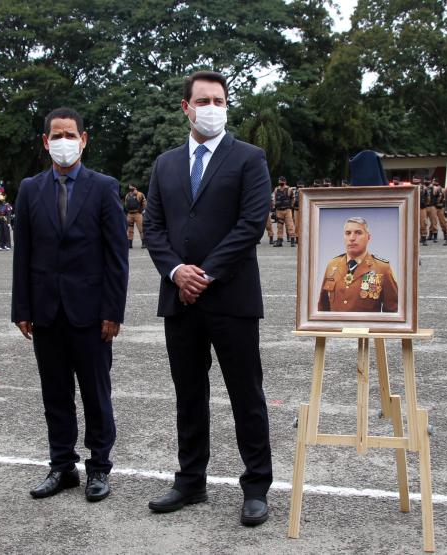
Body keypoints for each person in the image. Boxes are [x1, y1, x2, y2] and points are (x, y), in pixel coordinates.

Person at [143, 70, 273, 526]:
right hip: (180, 299)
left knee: (246, 394)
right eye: (203, 100)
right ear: (186, 107)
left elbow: (250, 225)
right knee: (188, 394)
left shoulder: (249, 158)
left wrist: (207, 273)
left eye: (219, 100)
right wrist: (177, 271)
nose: (212, 107)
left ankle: (256, 485)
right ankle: (190, 480)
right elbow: (152, 228)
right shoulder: (165, 164)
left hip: (231, 298)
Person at [11, 107, 128, 504]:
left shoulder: (104, 186)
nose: (64, 141)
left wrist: (113, 310)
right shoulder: (30, 188)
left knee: (96, 394)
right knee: (55, 394)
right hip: (45, 311)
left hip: (92, 313)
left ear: (84, 138)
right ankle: (62, 466)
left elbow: (116, 255)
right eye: (56, 135)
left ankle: (99, 467)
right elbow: (23, 252)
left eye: (70, 134)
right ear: (45, 142)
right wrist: (21, 308)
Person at [318, 217, 398, 312]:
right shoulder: (332, 265)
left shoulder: (382, 268)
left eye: (358, 233)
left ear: (368, 237)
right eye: (348, 233)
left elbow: (392, 311)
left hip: (365, 327)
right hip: (336, 326)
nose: (352, 238)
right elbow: (322, 307)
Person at [273, 177, 295, 247]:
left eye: (281, 181)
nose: (280, 182)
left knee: (290, 225)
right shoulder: (276, 189)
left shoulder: (289, 189)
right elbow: (274, 199)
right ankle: (279, 241)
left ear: (285, 181)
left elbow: (293, 199)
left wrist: (291, 206)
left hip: (287, 210)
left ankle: (292, 241)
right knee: (279, 226)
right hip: (279, 210)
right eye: (279, 181)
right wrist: (274, 208)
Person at [123, 184, 147, 248]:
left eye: (131, 186)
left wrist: (142, 210)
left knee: (141, 228)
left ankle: (144, 243)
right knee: (130, 230)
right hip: (130, 214)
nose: (129, 187)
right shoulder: (127, 195)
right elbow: (125, 204)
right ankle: (130, 244)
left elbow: (144, 203)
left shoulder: (140, 194)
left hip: (138, 214)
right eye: (129, 186)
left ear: (134, 187)